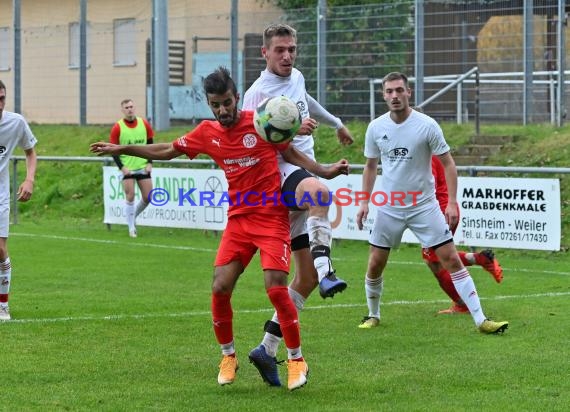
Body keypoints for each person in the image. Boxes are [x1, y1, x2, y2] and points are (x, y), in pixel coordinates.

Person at [91, 67, 349, 391]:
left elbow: (294, 155)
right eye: (216, 105)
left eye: (227, 102)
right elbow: (168, 150)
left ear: (237, 97)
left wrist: (325, 170)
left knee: (276, 286)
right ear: (209, 104)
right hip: (239, 220)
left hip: (270, 217)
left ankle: (297, 360)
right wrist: (121, 150)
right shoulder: (206, 132)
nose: (223, 110)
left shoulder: (261, 122)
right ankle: (228, 356)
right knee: (219, 286)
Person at [242, 23, 355, 387]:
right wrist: (290, 132)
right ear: (265, 52)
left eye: (292, 49)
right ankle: (328, 270)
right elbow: (250, 144)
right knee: (321, 193)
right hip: (282, 177)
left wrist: (335, 122)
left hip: (299, 179)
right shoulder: (256, 94)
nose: (288, 56)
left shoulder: (297, 77)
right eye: (280, 50)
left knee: (301, 281)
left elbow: (307, 102)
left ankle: (265, 347)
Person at [355, 71, 508, 334]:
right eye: (389, 91)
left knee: (450, 259)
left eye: (399, 90)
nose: (394, 96)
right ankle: (373, 314)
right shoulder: (376, 127)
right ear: (383, 95)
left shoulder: (426, 125)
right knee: (375, 263)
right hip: (390, 207)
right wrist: (364, 201)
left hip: (424, 206)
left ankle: (481, 320)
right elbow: (370, 166)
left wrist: (451, 202)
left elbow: (448, 163)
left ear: (408, 92)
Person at [423, 155, 503, 315]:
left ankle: (462, 304)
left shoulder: (424, 154)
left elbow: (427, 185)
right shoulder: (426, 148)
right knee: (436, 258)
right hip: (438, 211)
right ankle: (479, 259)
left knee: (436, 261)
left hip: (437, 212)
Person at [0, 80, 38, 321]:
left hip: (0, 194)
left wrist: (29, 179)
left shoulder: (16, 122)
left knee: (0, 249)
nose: (0, 104)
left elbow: (30, 151)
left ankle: (3, 305)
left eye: (2, 98)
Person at [109, 99, 154, 238]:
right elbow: (113, 149)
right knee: (130, 196)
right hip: (128, 168)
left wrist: (150, 162)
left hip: (142, 166)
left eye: (131, 106)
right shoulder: (118, 127)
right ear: (122, 110)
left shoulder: (144, 123)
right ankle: (131, 228)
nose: (130, 109)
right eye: (127, 107)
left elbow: (151, 143)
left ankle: (133, 216)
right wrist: (122, 167)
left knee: (148, 197)